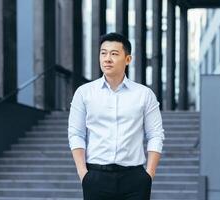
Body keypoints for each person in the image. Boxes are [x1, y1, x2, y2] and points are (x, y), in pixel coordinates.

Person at [68, 32, 165, 200]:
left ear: (128, 59)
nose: (107, 58)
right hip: (96, 177)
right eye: (103, 53)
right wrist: (83, 173)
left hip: (134, 179)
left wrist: (149, 174)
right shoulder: (84, 93)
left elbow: (155, 134)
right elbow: (76, 133)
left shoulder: (144, 94)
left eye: (114, 54)